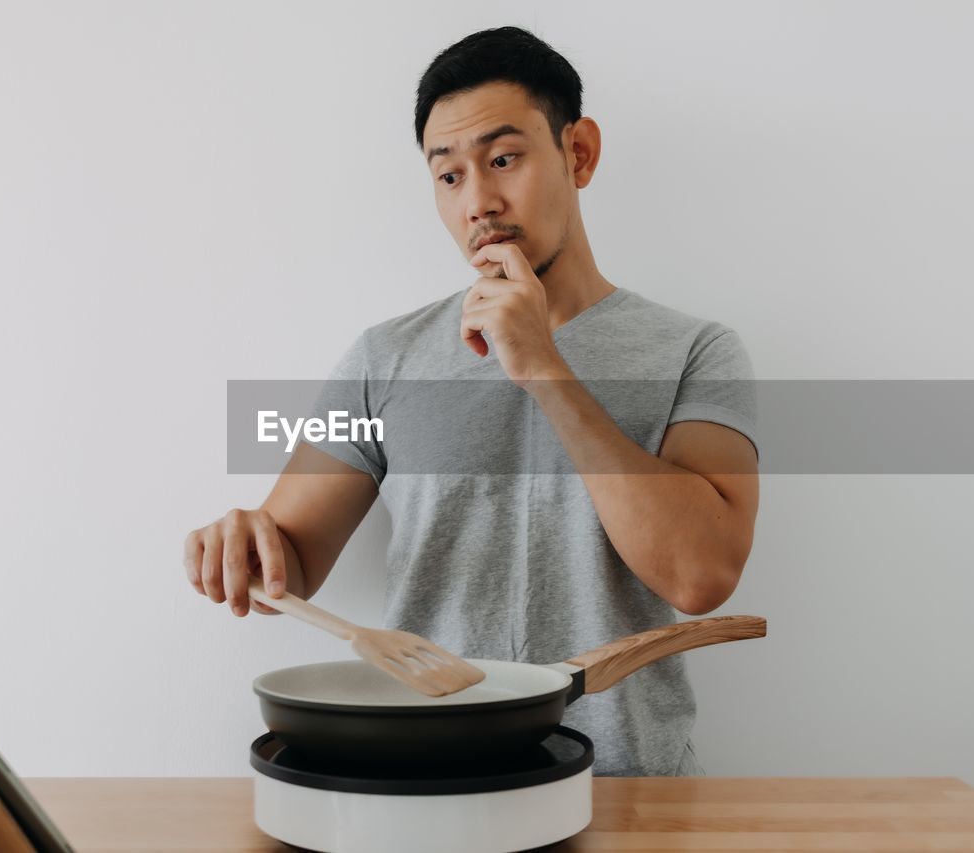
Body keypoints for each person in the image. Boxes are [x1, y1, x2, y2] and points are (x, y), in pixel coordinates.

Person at [183, 26, 760, 777]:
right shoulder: (382, 357)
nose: (479, 203)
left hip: (627, 796)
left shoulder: (700, 351)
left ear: (578, 153)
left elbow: (700, 574)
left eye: (503, 159)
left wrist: (544, 368)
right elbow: (290, 558)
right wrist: (244, 540)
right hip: (422, 783)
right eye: (448, 176)